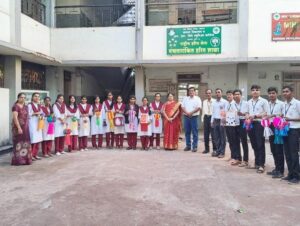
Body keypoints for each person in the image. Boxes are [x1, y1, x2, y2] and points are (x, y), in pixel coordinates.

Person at [246, 84, 270, 173]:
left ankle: (261, 164)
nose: (255, 91)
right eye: (253, 90)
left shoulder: (264, 101)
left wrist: (256, 115)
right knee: (254, 144)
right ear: (251, 92)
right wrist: (247, 116)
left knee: (260, 144)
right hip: (250, 124)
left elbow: (266, 113)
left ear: (260, 91)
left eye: (257, 89)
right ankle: (257, 163)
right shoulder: (248, 102)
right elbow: (247, 112)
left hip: (260, 124)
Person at [281, 86, 300, 184]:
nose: (285, 93)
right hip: (285, 129)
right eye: (283, 92)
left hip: (294, 130)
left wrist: (290, 119)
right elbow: (284, 116)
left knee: (293, 153)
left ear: (292, 92)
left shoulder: (297, 103)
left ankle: (297, 176)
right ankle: (290, 174)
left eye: (287, 91)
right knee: (287, 152)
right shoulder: (284, 104)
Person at [266, 87, 284, 178]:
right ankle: (277, 168)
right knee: (273, 149)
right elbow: (265, 114)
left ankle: (281, 170)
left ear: (277, 93)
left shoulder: (281, 104)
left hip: (278, 128)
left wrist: (274, 115)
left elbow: (283, 115)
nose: (271, 95)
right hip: (270, 127)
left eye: (273, 93)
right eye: (270, 93)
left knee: (279, 149)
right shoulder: (267, 104)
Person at [11, 93, 32, 165]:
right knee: (18, 143)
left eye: (24, 97)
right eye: (21, 97)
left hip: (26, 128)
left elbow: (27, 117)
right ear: (18, 98)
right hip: (18, 128)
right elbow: (15, 118)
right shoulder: (15, 106)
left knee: (26, 143)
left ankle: (26, 160)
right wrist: (19, 128)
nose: (23, 99)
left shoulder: (26, 107)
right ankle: (18, 161)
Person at [182, 87, 202, 152]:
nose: (191, 92)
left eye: (192, 91)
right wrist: (187, 113)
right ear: (188, 92)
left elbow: (199, 107)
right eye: (190, 91)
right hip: (186, 117)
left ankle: (195, 147)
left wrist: (191, 113)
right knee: (187, 132)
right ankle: (188, 146)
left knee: (195, 132)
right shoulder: (185, 99)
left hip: (194, 117)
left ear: (195, 92)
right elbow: (182, 107)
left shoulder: (197, 98)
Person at [233, 89, 249, 167]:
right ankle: (238, 159)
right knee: (236, 141)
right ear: (233, 96)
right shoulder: (232, 104)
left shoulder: (246, 103)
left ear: (241, 95)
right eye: (235, 94)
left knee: (244, 141)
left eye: (238, 94)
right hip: (235, 123)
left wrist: (242, 114)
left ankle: (245, 160)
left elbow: (247, 113)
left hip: (243, 122)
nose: (237, 95)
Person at [224, 90, 241, 165]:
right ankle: (233, 156)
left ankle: (238, 157)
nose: (229, 96)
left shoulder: (235, 104)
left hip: (234, 125)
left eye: (230, 95)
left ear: (233, 96)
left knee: (235, 141)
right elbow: (224, 113)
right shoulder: (226, 104)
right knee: (230, 141)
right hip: (228, 124)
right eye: (227, 95)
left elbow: (237, 114)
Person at [211, 88, 228, 158]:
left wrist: (224, 121)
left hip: (222, 120)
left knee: (222, 137)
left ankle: (222, 152)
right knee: (216, 137)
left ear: (221, 93)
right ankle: (218, 151)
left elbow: (226, 112)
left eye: (219, 92)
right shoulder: (214, 102)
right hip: (215, 120)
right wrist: (212, 121)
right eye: (216, 92)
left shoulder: (225, 102)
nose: (217, 93)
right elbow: (213, 112)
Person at [28, 92, 43, 161]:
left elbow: (42, 113)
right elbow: (28, 114)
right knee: (33, 139)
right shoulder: (29, 105)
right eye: (35, 96)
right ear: (32, 97)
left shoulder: (39, 105)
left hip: (39, 123)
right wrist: (35, 113)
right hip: (32, 124)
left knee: (38, 139)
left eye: (38, 96)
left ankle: (35, 154)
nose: (37, 98)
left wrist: (41, 115)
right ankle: (31, 155)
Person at [202, 89, 216, 154]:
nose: (208, 94)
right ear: (206, 94)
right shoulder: (204, 101)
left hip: (212, 118)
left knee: (213, 135)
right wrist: (202, 119)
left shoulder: (215, 101)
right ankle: (206, 149)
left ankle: (214, 149)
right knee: (206, 135)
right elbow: (203, 111)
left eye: (209, 93)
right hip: (206, 118)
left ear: (211, 94)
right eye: (207, 93)